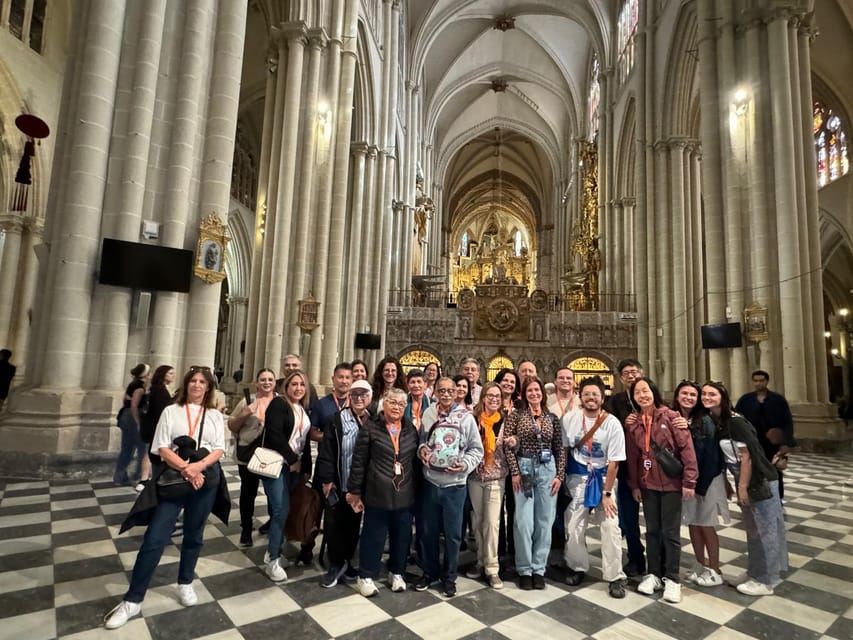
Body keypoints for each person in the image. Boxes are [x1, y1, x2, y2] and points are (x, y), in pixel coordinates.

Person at [105, 366, 227, 629]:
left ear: (208, 387)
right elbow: (160, 447)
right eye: (192, 381)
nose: (196, 385)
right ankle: (132, 599)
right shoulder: (172, 411)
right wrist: (186, 468)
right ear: (186, 384)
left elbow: (219, 449)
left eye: (201, 382)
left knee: (194, 536)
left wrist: (198, 467)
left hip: (204, 483)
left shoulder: (214, 415)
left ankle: (185, 583)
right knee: (154, 539)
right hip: (174, 482)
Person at [702, 381, 788, 596]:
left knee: (766, 529)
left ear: (723, 396)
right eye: (704, 394)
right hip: (744, 478)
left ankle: (768, 580)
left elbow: (747, 456)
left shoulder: (735, 421)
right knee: (753, 530)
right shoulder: (718, 422)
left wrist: (742, 487)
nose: (706, 397)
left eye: (712, 394)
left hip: (759, 480)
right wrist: (729, 482)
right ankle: (754, 572)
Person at [625, 378, 698, 604]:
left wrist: (689, 481)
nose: (642, 395)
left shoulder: (671, 417)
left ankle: (673, 579)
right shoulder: (634, 422)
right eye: (637, 392)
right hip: (648, 484)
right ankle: (653, 574)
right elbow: (634, 456)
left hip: (671, 484)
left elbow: (687, 450)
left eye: (645, 391)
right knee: (653, 531)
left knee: (671, 533)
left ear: (653, 392)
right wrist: (635, 484)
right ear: (633, 397)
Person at [347, 388, 420, 598]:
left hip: (404, 491)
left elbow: (414, 463)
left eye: (400, 404)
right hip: (378, 491)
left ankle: (396, 572)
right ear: (383, 404)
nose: (396, 407)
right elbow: (359, 462)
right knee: (374, 536)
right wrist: (355, 491)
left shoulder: (410, 430)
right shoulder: (371, 428)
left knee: (402, 536)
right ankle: (366, 575)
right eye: (392, 403)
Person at [417, 377, 483, 597]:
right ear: (435, 391)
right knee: (428, 531)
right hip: (430, 481)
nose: (445, 394)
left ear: (456, 393)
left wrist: (464, 464)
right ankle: (430, 572)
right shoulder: (428, 414)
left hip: (455, 485)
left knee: (454, 535)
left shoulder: (466, 418)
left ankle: (450, 576)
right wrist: (422, 452)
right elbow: (422, 441)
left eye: (450, 391)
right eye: (441, 390)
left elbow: (476, 449)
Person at [562, 376, 627, 598]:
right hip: (578, 478)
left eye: (595, 395)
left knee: (610, 526)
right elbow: (563, 450)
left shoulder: (612, 423)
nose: (591, 398)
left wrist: (607, 494)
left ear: (602, 397)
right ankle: (577, 566)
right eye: (587, 394)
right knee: (573, 525)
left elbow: (615, 461)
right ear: (580, 396)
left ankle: (614, 576)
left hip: (603, 480)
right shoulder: (570, 419)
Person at [503, 376, 565, 590]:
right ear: (523, 393)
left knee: (544, 521)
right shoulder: (516, 416)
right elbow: (508, 446)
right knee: (523, 521)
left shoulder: (552, 418)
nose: (534, 394)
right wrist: (515, 472)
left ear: (543, 393)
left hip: (548, 470)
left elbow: (559, 447)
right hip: (525, 467)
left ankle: (539, 568)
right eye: (529, 390)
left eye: (537, 390)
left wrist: (560, 475)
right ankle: (524, 568)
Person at [315, 379, 373, 587]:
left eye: (363, 394)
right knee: (334, 524)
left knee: (354, 524)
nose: (359, 398)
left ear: (370, 398)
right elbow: (327, 451)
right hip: (340, 482)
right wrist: (327, 478)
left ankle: (347, 562)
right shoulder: (336, 419)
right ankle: (335, 563)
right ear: (349, 396)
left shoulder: (373, 420)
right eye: (355, 394)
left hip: (361, 486)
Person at [674, 380, 729, 587]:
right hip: (689, 481)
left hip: (706, 480)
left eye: (692, 395)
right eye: (684, 393)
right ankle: (700, 564)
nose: (688, 397)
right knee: (694, 523)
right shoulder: (676, 417)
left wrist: (700, 485)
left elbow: (711, 457)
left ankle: (714, 569)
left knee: (706, 525)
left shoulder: (704, 420)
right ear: (677, 396)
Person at [259, 369, 313, 582]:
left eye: (302, 384)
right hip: (277, 464)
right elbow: (274, 435)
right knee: (281, 510)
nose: (298, 388)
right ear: (286, 387)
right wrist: (293, 460)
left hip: (294, 467)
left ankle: (276, 551)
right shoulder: (278, 404)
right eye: (294, 384)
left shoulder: (301, 408)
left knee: (285, 510)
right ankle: (272, 559)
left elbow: (304, 441)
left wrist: (304, 466)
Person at [466, 382, 514, 589]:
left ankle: (492, 568)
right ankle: (479, 561)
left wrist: (515, 442)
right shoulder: (473, 420)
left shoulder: (506, 420)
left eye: (498, 396)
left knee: (492, 523)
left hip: (496, 477)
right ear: (483, 397)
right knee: (477, 521)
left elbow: (514, 444)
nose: (494, 399)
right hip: (475, 478)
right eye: (490, 395)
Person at [604, 358, 646, 576]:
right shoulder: (616, 401)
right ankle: (636, 557)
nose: (631, 375)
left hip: (652, 468)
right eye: (627, 373)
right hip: (628, 467)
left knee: (657, 518)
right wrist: (623, 423)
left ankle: (661, 560)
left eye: (635, 371)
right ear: (621, 377)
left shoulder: (651, 397)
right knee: (629, 518)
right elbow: (607, 427)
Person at [228, 368, 277, 547]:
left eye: (270, 379)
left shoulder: (279, 401)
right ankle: (246, 529)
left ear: (274, 382)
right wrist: (245, 413)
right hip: (248, 454)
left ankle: (273, 523)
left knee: (273, 493)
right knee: (248, 493)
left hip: (271, 455)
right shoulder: (247, 401)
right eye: (263, 379)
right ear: (257, 383)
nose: (266, 382)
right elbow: (232, 425)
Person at [735, 370, 794, 499]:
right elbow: (737, 419)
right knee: (753, 470)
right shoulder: (745, 400)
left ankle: (777, 498)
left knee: (774, 472)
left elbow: (787, 421)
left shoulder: (778, 400)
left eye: (761, 380)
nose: (758, 383)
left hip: (772, 443)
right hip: (752, 443)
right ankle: (755, 496)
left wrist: (786, 443)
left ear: (767, 381)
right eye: (756, 380)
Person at [138, 365, 176, 488]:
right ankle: (147, 480)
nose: (173, 375)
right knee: (154, 452)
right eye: (170, 373)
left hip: (155, 425)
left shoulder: (160, 388)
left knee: (151, 452)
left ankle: (147, 479)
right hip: (156, 425)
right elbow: (161, 410)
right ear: (163, 374)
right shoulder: (159, 390)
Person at [113, 363, 151, 487]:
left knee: (128, 447)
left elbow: (126, 399)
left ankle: (121, 476)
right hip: (132, 417)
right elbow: (134, 405)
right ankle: (138, 474)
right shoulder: (139, 387)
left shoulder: (133, 384)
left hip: (126, 415)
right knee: (141, 448)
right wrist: (138, 422)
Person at [312, 362, 353, 435]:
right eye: (340, 377)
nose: (344, 381)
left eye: (347, 378)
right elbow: (312, 432)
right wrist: (329, 439)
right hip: (327, 446)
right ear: (333, 379)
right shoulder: (321, 404)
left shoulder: (356, 403)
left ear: (352, 380)